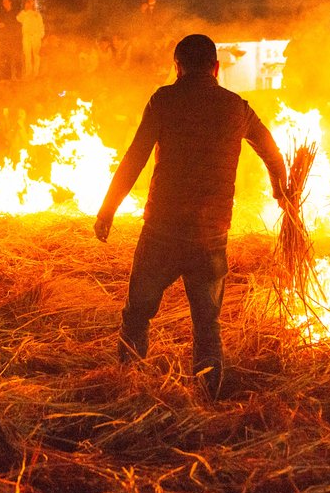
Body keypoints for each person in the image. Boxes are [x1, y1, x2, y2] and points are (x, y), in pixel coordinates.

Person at [94, 34, 288, 397]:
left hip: (162, 231)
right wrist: (281, 193)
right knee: (207, 326)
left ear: (178, 67)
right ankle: (209, 398)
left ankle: (127, 391)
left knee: (137, 315)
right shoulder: (236, 107)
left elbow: (135, 157)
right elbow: (273, 154)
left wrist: (108, 210)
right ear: (216, 68)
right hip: (210, 236)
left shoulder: (164, 100)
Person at [0, 0, 22, 79]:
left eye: (6, 2)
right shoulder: (3, 13)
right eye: (3, 3)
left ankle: (16, 75)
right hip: (4, 39)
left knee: (14, 57)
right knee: (6, 57)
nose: (4, 4)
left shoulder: (16, 13)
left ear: (10, 2)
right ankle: (7, 76)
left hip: (14, 38)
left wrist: (4, 24)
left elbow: (16, 24)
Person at [16, 0, 45, 78]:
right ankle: (28, 73)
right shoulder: (23, 13)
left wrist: (40, 36)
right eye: (28, 1)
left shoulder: (37, 14)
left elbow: (41, 25)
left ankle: (36, 73)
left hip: (36, 36)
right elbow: (18, 19)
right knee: (27, 55)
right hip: (26, 36)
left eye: (32, 2)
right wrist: (25, 9)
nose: (30, 3)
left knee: (36, 55)